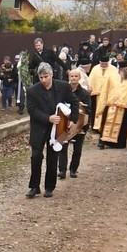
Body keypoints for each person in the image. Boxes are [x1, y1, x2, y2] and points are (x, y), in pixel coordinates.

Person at [26, 63, 76, 198]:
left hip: (57, 128)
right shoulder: (32, 91)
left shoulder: (63, 86)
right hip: (39, 128)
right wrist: (48, 118)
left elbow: (74, 102)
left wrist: (72, 120)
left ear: (52, 75)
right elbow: (32, 109)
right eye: (41, 77)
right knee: (36, 157)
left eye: (46, 77)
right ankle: (34, 186)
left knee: (52, 157)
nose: (43, 80)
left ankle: (49, 186)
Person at [57, 67, 90, 179]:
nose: (74, 78)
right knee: (62, 144)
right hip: (65, 121)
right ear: (69, 77)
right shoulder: (63, 91)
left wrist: (81, 107)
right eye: (72, 76)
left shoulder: (84, 93)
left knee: (78, 147)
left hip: (80, 123)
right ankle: (62, 170)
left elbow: (89, 110)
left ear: (79, 78)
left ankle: (73, 169)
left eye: (76, 76)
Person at [97, 64, 127, 149]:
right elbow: (105, 90)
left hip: (126, 105)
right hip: (111, 104)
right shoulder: (111, 76)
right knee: (106, 124)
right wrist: (103, 103)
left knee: (123, 126)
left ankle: (119, 144)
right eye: (126, 69)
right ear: (121, 69)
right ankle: (103, 142)